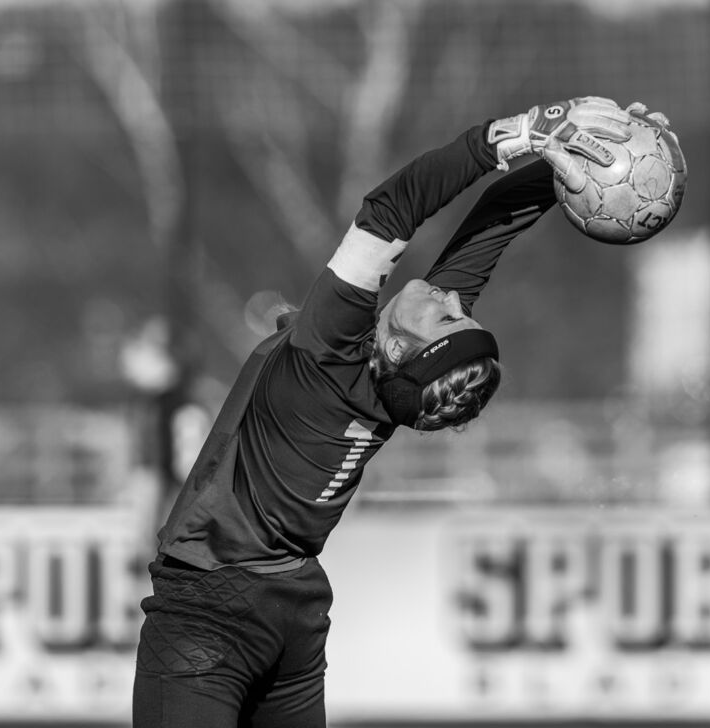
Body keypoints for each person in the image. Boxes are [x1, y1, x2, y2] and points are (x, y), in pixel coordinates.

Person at [132, 96, 636, 728]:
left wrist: (514, 134)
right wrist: (602, 158)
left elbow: (393, 207)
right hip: (292, 613)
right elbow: (496, 221)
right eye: (459, 311)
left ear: (399, 349)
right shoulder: (397, 385)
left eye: (448, 318)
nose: (452, 299)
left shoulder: (326, 357)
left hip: (209, 610)